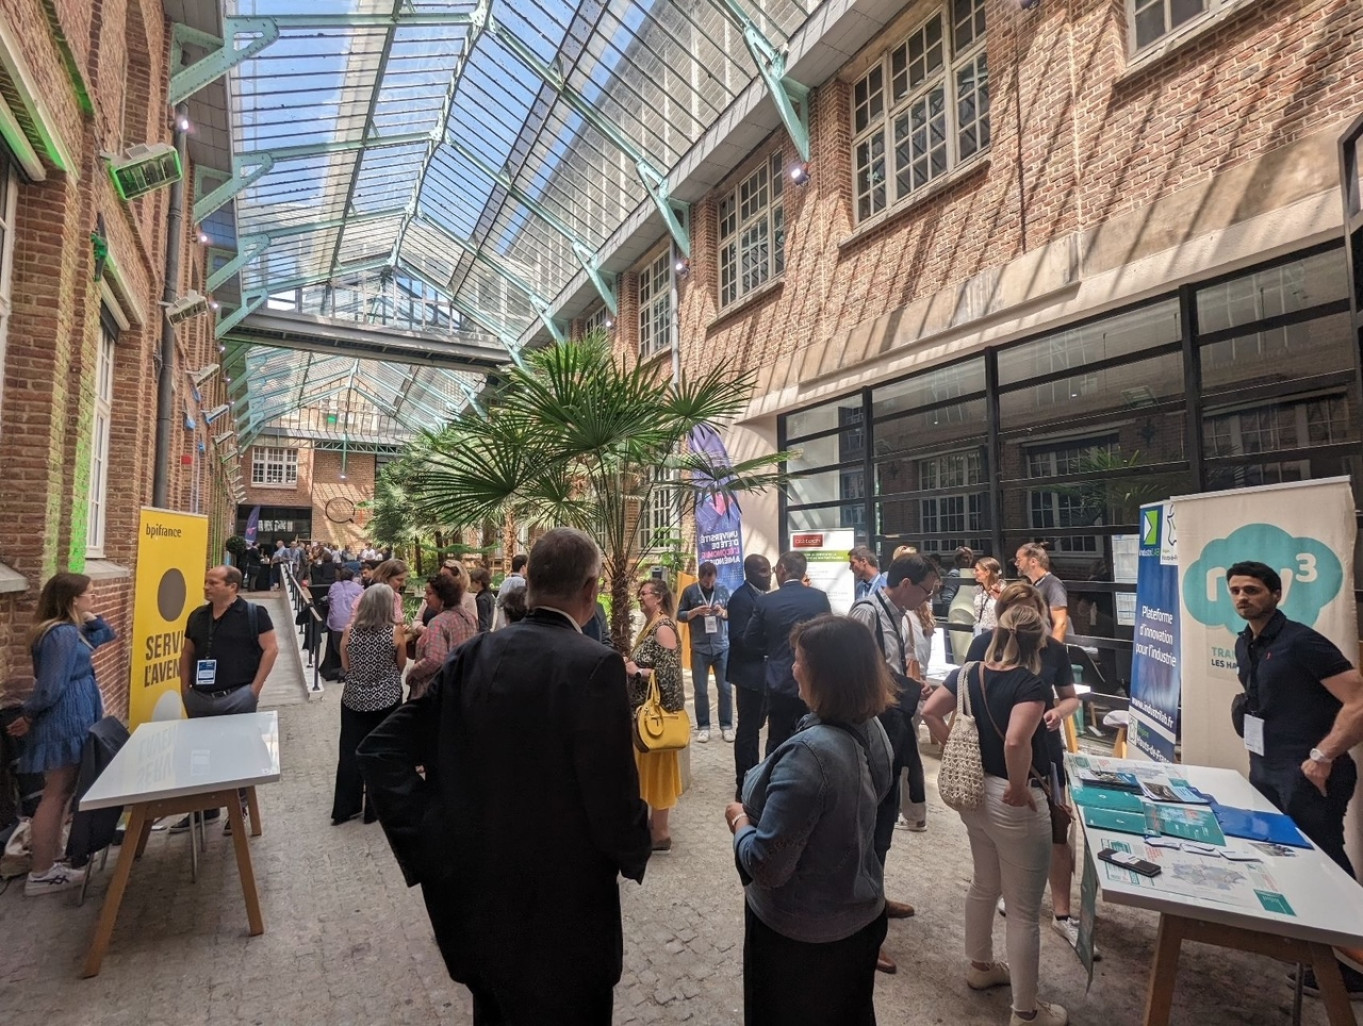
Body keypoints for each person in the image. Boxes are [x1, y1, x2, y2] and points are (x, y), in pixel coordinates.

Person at [357, 528, 651, 1024]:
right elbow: (612, 793)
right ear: (589, 591)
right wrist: (634, 847)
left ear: (529, 582)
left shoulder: (474, 655)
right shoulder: (595, 666)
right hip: (566, 910)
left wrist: (431, 837)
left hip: (480, 902)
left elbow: (382, 748)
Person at [726, 614, 894, 1026]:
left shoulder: (811, 755)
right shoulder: (872, 727)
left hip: (802, 936)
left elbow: (768, 865)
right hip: (858, 916)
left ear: (826, 674)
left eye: (799, 660)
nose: (792, 668)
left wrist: (739, 824)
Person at [922, 606, 1067, 1026]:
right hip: (1012, 798)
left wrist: (954, 747)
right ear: (1038, 641)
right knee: (1023, 910)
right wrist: (1021, 788)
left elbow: (930, 710)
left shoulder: (967, 672)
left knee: (984, 883)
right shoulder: (1030, 683)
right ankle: (1025, 1011)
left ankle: (980, 966)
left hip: (973, 792)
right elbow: (1017, 741)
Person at [1228, 560, 1363, 999]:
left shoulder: (1302, 642)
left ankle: (1356, 965)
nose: (1243, 598)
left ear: (1275, 594)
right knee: (1288, 857)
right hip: (1267, 767)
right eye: (1235, 591)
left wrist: (1324, 755)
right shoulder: (1244, 643)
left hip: (1310, 772)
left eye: (1252, 589)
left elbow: (1357, 699)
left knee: (1326, 865)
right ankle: (1323, 956)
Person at [966, 583, 1083, 952]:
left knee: (1056, 829)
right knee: (1004, 842)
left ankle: (1062, 912)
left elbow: (1070, 699)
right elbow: (962, 695)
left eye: (1031, 608)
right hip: (996, 764)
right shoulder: (982, 646)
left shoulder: (1055, 651)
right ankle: (1014, 894)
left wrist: (1056, 712)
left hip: (1044, 755)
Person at [847, 554, 940, 973]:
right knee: (866, 826)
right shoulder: (866, 613)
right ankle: (861, 930)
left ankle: (875, 901)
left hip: (894, 726)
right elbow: (859, 674)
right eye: (925, 590)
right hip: (872, 729)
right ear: (905, 583)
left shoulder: (900, 615)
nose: (927, 599)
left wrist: (915, 689)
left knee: (883, 823)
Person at [5, 573, 117, 895]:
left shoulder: (70, 631)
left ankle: (50, 860)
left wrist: (92, 618)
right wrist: (30, 713)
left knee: (62, 792)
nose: (93, 598)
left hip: (72, 716)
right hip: (64, 720)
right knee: (56, 794)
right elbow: (51, 685)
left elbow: (106, 635)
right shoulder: (62, 635)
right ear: (72, 600)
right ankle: (41, 872)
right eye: (89, 595)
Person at [174, 565, 279, 833]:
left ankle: (238, 807)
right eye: (206, 581)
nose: (206, 586)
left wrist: (254, 689)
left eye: (213, 582)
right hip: (199, 696)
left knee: (239, 754)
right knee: (200, 753)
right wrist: (184, 687)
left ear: (232, 586)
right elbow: (187, 652)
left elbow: (270, 649)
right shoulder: (197, 616)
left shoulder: (254, 614)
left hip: (237, 696)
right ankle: (204, 808)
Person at [743, 551, 831, 754]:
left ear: (782, 569)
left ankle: (774, 780)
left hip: (779, 680)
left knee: (777, 738)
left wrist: (772, 649)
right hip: (812, 681)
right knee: (811, 735)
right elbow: (828, 637)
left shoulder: (766, 602)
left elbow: (750, 640)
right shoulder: (819, 599)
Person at [333, 584, 406, 825]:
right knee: (381, 753)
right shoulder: (395, 633)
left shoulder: (349, 631)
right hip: (386, 699)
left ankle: (345, 807)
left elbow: (346, 666)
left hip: (354, 698)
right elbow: (401, 665)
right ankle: (375, 809)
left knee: (350, 751)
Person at [626, 578, 685, 852]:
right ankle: (653, 827)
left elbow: (670, 678)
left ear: (658, 597)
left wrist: (636, 671)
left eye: (644, 592)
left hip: (658, 719)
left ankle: (660, 833)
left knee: (658, 773)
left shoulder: (664, 628)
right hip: (644, 716)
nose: (640, 596)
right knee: (647, 772)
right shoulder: (652, 625)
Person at [728, 554, 772, 800]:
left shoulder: (764, 596)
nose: (768, 576)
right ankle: (744, 781)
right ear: (750, 573)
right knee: (748, 730)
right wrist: (770, 647)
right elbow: (739, 640)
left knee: (759, 725)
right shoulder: (741, 599)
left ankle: (760, 776)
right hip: (749, 676)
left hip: (766, 675)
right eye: (763, 572)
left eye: (769, 571)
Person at [677, 561, 732, 744]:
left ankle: (726, 726)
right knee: (700, 690)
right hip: (699, 648)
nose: (708, 584)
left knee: (725, 688)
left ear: (715, 577)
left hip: (721, 646)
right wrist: (694, 612)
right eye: (705, 581)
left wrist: (723, 612)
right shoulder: (690, 591)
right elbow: (680, 615)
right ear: (700, 577)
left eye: (711, 581)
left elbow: (732, 613)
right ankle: (703, 727)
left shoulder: (723, 590)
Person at [407, 575, 478, 701]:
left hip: (434, 690)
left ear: (444, 596)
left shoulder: (438, 622)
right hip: (458, 685)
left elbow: (434, 660)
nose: (425, 597)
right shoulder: (468, 617)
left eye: (429, 593)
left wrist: (412, 672)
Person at [1015, 544, 1071, 643]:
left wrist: (1053, 651)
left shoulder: (1053, 584)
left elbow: (1061, 623)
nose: (1016, 563)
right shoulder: (1032, 586)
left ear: (1033, 562)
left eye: (1019, 560)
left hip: (1047, 646)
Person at [320, 567, 363, 682]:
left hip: (336, 624)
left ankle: (343, 669)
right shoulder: (359, 588)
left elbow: (329, 601)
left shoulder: (334, 586)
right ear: (352, 577)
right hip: (353, 624)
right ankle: (348, 670)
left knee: (338, 647)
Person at [493, 553, 528, 629]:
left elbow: (498, 602)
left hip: (501, 620)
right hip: (515, 623)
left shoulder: (505, 581)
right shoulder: (522, 583)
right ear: (523, 567)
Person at [370, 559, 409, 625]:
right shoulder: (367, 598)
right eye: (399, 580)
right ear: (385, 578)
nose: (403, 584)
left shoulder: (397, 598)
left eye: (404, 580)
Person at [973, 557, 1004, 634]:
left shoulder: (1003, 590)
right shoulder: (977, 591)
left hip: (996, 633)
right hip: (979, 631)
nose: (974, 573)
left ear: (987, 572)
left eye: (977, 570)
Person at [468, 567, 494, 632]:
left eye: (472, 581)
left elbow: (482, 623)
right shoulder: (489, 595)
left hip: (482, 633)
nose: (470, 584)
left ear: (478, 582)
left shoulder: (481, 599)